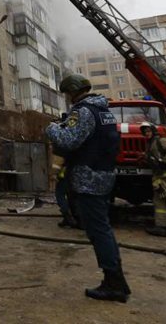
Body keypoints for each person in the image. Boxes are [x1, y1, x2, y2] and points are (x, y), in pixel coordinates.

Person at [47, 74, 130, 302]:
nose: (67, 98)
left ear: (73, 91)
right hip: (103, 175)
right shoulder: (103, 112)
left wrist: (52, 128)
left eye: (67, 94)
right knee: (102, 228)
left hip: (88, 179)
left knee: (98, 230)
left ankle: (114, 283)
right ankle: (117, 280)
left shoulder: (83, 112)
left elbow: (68, 140)